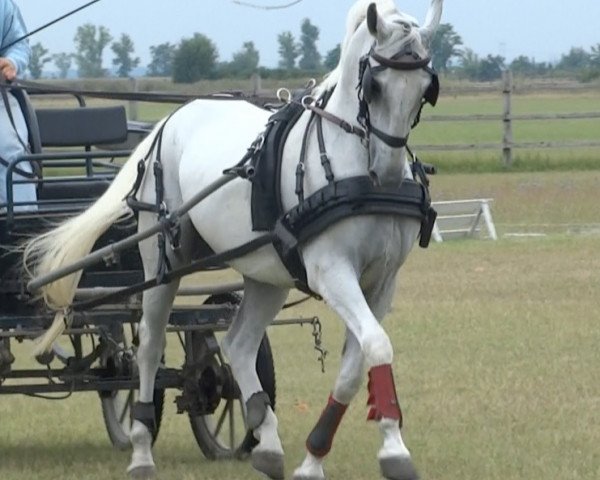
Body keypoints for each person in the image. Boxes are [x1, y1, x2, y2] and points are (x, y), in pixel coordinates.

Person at [0, 0, 36, 213]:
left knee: (13, 152)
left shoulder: (4, 6)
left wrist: (11, 62)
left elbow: (19, 44)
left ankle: (24, 230)